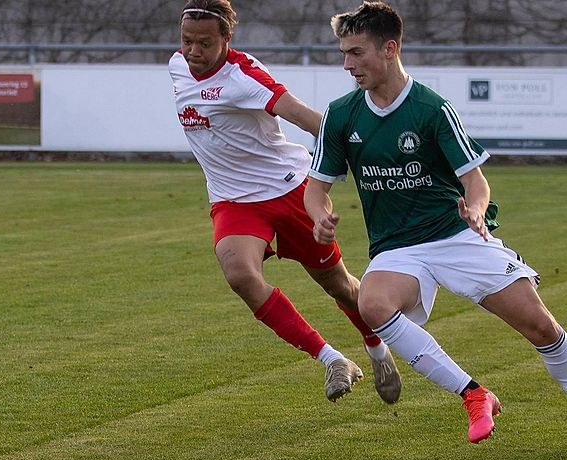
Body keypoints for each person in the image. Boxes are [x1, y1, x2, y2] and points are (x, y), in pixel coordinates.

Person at [305, 1, 567, 454]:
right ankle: (474, 394)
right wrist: (319, 216)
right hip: (398, 248)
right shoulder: (342, 115)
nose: (348, 64)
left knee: (541, 328)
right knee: (373, 303)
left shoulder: (431, 108)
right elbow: (315, 188)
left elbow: (475, 182)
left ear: (389, 48)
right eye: (344, 53)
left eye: (357, 52)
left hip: (457, 236)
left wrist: (477, 211)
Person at [169, 0, 402, 403]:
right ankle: (332, 360)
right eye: (187, 41)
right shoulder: (177, 66)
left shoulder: (243, 76)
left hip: (288, 190)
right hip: (233, 201)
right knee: (240, 275)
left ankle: (377, 347)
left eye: (204, 43)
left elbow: (304, 116)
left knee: (341, 287)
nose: (193, 51)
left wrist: (366, 153)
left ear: (227, 38)